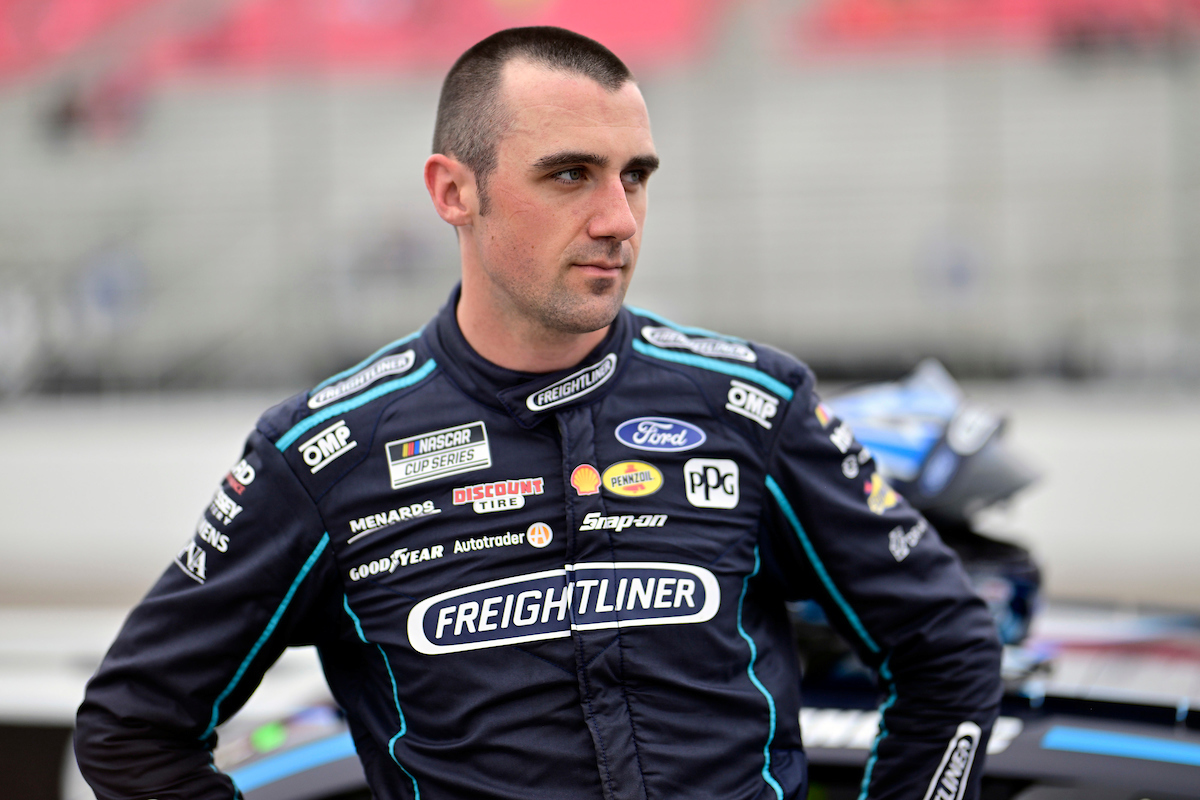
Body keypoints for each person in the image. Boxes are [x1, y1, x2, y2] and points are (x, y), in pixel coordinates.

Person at [75, 26, 1002, 800]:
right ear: (454, 192)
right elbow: (131, 728)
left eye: (635, 176)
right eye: (570, 175)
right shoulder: (323, 454)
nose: (618, 219)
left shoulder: (752, 406)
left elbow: (948, 646)